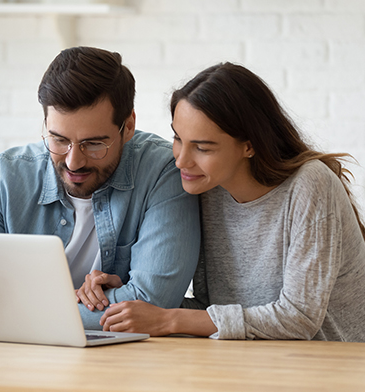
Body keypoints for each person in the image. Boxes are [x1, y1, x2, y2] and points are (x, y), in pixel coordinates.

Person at [97, 62, 365, 341]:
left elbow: (298, 319)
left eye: (202, 147)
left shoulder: (310, 185)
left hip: (331, 366)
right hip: (250, 362)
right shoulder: (207, 189)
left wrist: (169, 318)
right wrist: (128, 297)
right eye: (178, 138)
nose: (180, 160)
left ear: (249, 145)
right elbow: (214, 314)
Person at [0, 46, 200, 329]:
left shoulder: (163, 172)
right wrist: (94, 302)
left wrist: (20, 311)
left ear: (128, 126)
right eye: (58, 140)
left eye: (93, 144)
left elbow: (153, 301)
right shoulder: (4, 178)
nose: (74, 161)